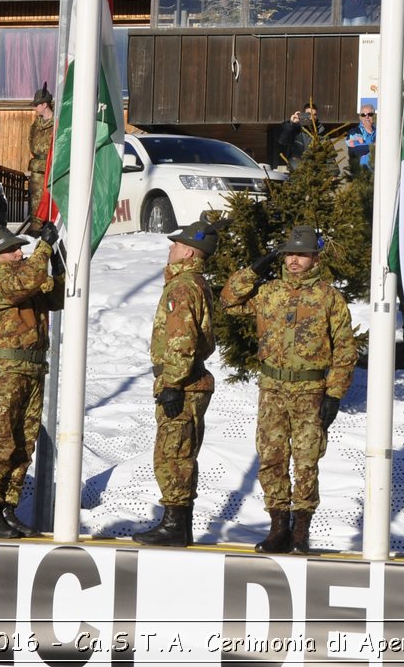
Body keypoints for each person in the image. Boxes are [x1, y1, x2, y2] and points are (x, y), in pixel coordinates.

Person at [220, 225, 356, 555]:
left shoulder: (328, 297)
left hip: (310, 390)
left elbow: (345, 348)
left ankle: (301, 532)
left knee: (306, 462)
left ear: (315, 258)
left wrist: (335, 393)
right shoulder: (268, 293)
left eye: (302, 254)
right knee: (271, 459)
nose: (294, 260)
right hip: (272, 389)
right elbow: (229, 301)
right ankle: (279, 527)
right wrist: (254, 269)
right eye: (290, 254)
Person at [133, 217, 218, 547]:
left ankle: (174, 525)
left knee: (172, 457)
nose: (171, 247)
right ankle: (179, 525)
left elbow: (182, 337)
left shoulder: (182, 287)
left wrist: (172, 383)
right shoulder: (192, 283)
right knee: (178, 455)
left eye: (178, 244)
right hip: (187, 379)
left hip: (182, 382)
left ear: (191, 252)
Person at [0, 224, 63, 538]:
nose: (20, 253)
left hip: (33, 371)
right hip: (8, 370)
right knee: (0, 442)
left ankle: (7, 507)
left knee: (23, 445)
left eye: (21, 248)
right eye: (13, 249)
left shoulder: (28, 279)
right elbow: (26, 282)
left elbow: (56, 296)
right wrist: (44, 249)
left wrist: (58, 262)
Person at [26, 86, 55, 229]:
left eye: (37, 105)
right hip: (38, 166)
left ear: (44, 104)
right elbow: (30, 140)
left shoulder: (57, 122)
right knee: (35, 200)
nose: (35, 108)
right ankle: (35, 228)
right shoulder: (36, 124)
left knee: (50, 198)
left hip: (52, 166)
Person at [345, 105, 377, 171]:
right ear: (360, 117)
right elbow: (355, 150)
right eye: (363, 115)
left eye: (370, 114)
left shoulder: (380, 132)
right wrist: (374, 146)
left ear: (374, 116)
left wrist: (365, 144)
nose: (367, 117)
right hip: (361, 173)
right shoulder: (354, 132)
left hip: (379, 172)